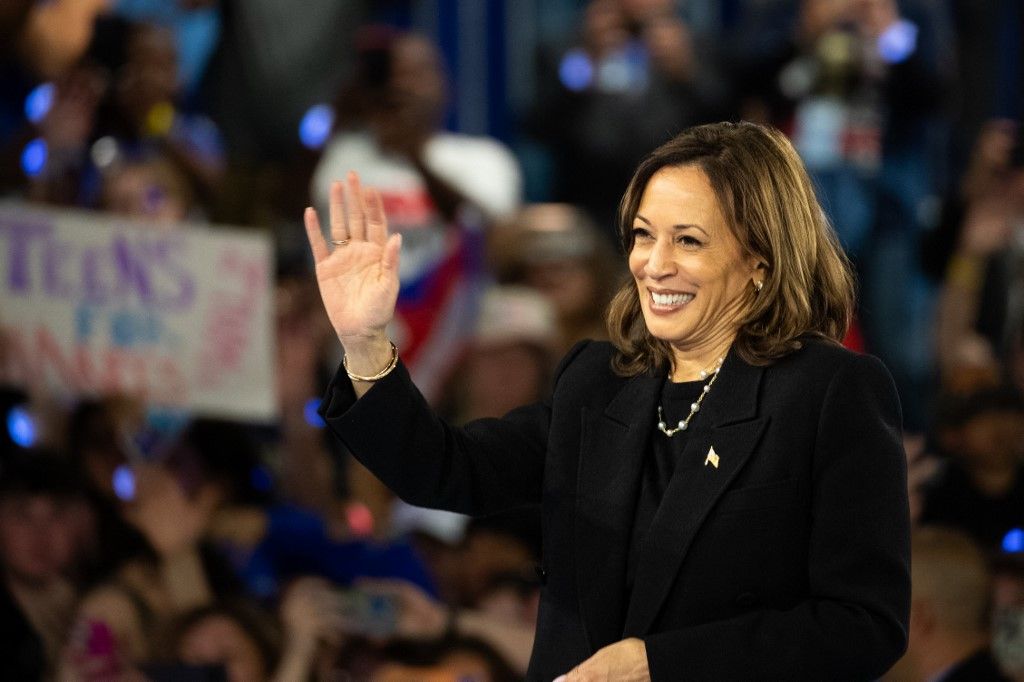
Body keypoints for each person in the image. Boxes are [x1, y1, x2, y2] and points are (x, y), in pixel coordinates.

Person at [304, 121, 910, 680]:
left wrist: (660, 666)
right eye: (644, 235)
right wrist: (365, 343)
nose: (654, 264)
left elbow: (863, 626)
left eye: (689, 241)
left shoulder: (829, 391)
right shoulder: (597, 382)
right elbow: (445, 471)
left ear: (758, 260)